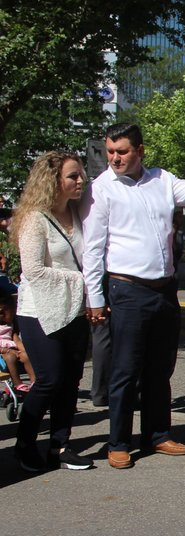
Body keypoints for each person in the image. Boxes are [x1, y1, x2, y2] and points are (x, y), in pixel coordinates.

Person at [81, 122, 185, 469]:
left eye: (122, 151)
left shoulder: (161, 179)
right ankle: (118, 441)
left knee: (160, 369)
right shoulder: (101, 189)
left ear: (140, 151)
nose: (115, 158)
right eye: (110, 152)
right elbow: (93, 248)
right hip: (127, 288)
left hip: (163, 289)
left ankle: (158, 434)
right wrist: (95, 298)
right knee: (125, 370)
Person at [10, 152, 92, 472]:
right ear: (52, 181)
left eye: (80, 174)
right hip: (39, 310)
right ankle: (24, 444)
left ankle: (60, 445)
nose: (79, 180)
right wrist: (84, 281)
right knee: (48, 380)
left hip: (74, 310)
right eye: (72, 176)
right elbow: (34, 270)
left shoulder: (78, 212)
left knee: (70, 382)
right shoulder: (34, 218)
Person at [0, 296, 34, 392]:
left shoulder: (9, 325)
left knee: (26, 355)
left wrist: (23, 350)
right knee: (11, 357)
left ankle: (34, 381)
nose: (14, 316)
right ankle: (17, 383)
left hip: (11, 350)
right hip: (2, 353)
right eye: (12, 313)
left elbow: (17, 340)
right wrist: (7, 350)